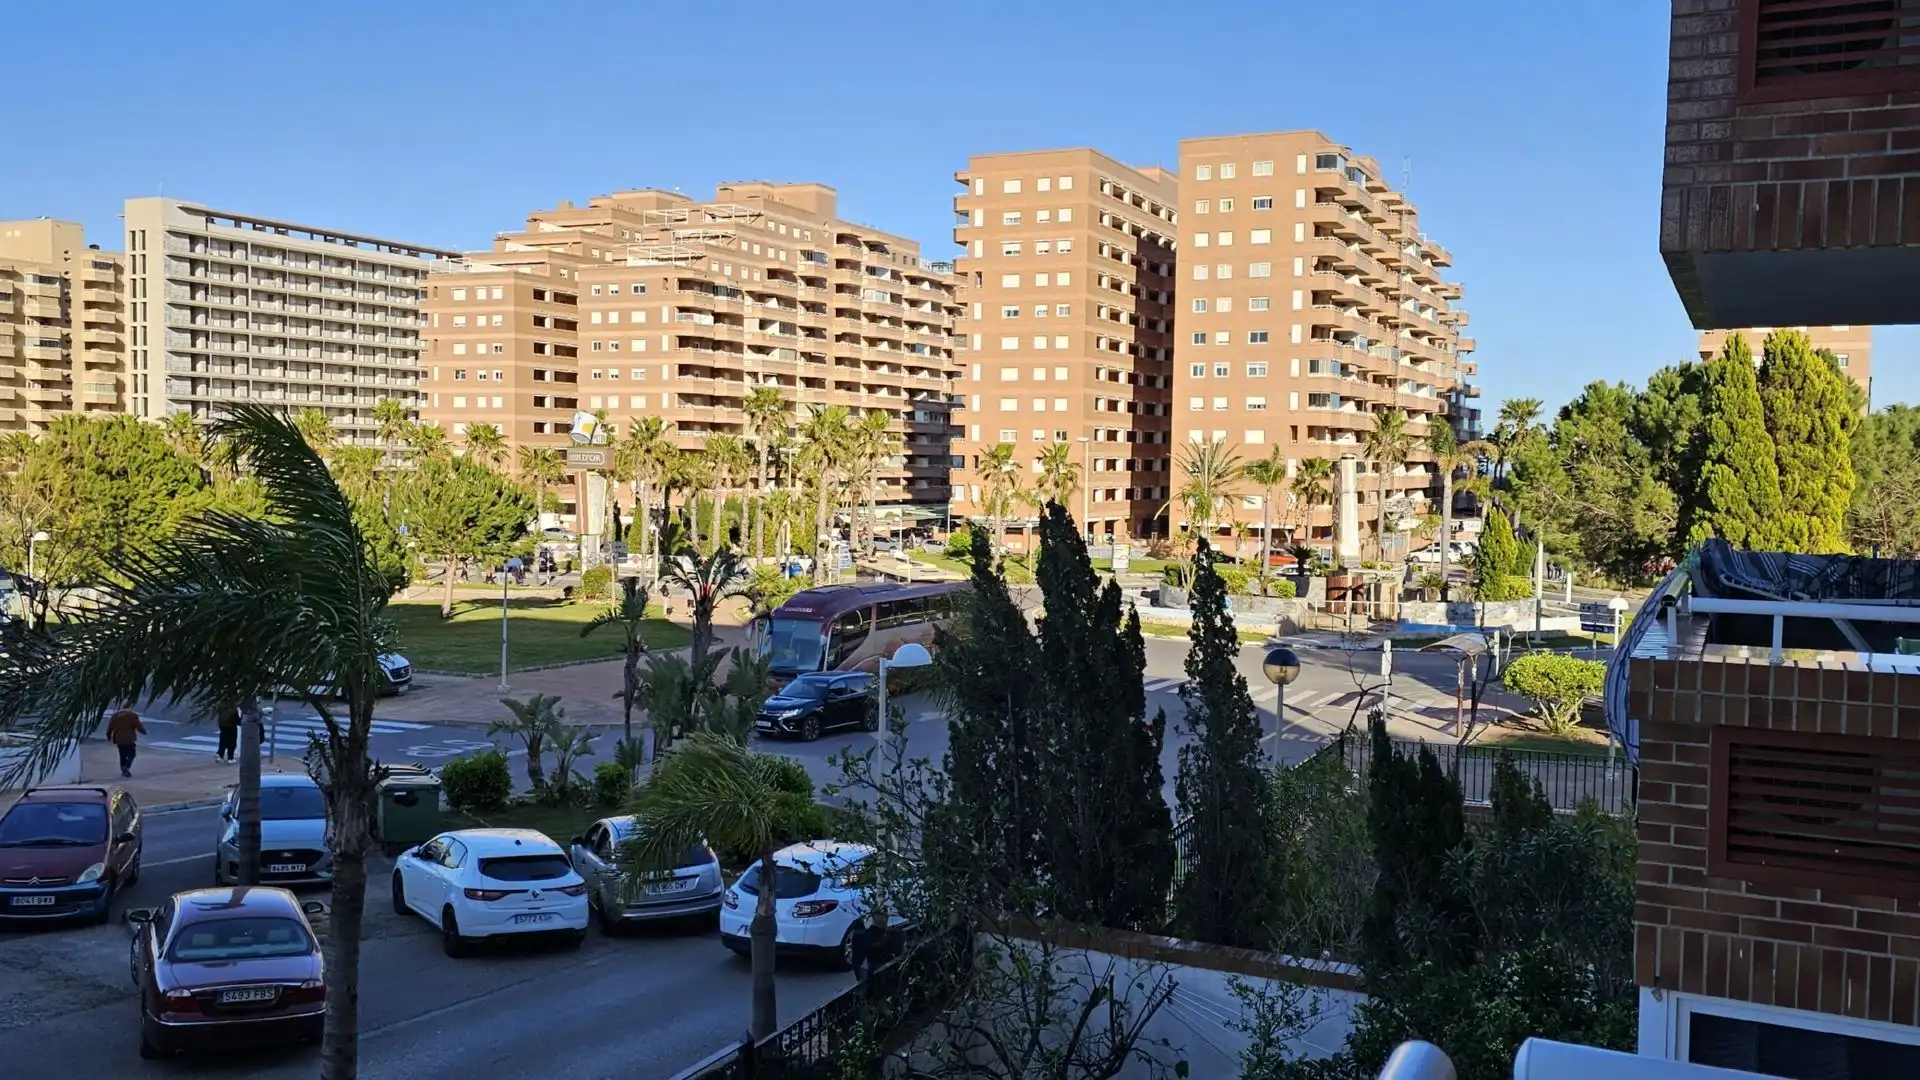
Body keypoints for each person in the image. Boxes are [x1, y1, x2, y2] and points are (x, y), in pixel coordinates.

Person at [106, 708, 146, 779]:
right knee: (132, 754)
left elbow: (110, 728)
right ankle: (126, 766)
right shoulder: (132, 715)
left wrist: (109, 737)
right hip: (129, 739)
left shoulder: (115, 716)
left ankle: (124, 770)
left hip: (119, 739)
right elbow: (138, 726)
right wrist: (144, 732)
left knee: (122, 755)